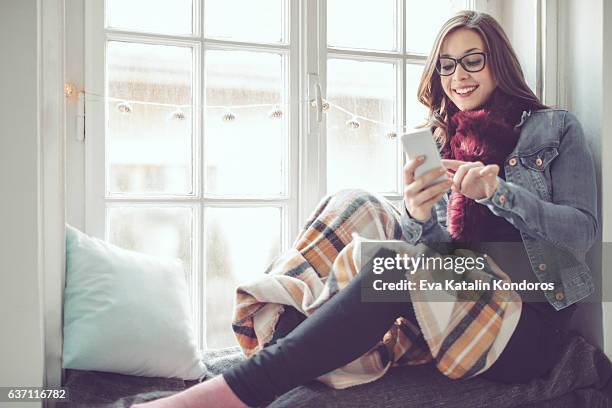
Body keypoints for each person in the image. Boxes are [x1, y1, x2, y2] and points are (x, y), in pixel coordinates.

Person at [132, 10, 598, 408]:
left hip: (526, 326)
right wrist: (417, 215)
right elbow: (440, 258)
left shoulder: (552, 128)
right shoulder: (439, 141)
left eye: (473, 60)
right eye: (447, 65)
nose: (458, 76)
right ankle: (285, 334)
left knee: (396, 268)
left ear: (498, 63)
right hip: (460, 308)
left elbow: (581, 234)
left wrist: (500, 195)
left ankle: (244, 387)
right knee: (356, 202)